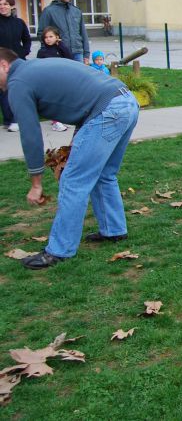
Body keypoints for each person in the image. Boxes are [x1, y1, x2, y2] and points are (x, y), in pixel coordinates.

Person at [0, 47, 140, 270]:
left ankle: (59, 251)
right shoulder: (34, 68)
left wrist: (36, 183)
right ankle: (114, 231)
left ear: (4, 65)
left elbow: (30, 135)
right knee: (104, 174)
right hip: (126, 101)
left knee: (74, 181)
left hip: (107, 109)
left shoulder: (18, 82)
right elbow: (80, 100)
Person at [0, 0, 31, 133]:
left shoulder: (19, 23)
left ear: (11, 6)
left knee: (19, 89)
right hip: (2, 63)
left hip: (18, 61)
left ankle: (19, 118)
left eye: (5, 4)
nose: (2, 7)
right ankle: (9, 120)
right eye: (0, 4)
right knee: (4, 91)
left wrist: (23, 52)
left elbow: (27, 39)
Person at [38, 0, 90, 65]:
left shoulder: (76, 11)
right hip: (59, 53)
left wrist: (86, 54)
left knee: (77, 78)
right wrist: (48, 51)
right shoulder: (48, 11)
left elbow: (83, 33)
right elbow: (41, 33)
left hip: (78, 53)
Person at [36, 27, 73, 132]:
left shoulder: (61, 48)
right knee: (54, 100)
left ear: (57, 37)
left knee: (63, 98)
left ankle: (62, 118)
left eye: (51, 36)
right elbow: (39, 66)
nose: (48, 39)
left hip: (62, 77)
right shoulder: (42, 51)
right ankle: (56, 122)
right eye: (46, 37)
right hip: (50, 79)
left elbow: (69, 58)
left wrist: (61, 45)